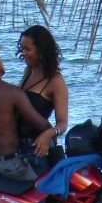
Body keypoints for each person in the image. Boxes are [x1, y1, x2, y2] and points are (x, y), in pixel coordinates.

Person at [0, 43, 53, 180]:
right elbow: (42, 125)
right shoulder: (11, 92)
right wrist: (51, 133)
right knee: (44, 193)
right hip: (7, 166)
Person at [15, 25, 69, 173]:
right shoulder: (28, 72)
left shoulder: (55, 80)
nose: (23, 53)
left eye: (28, 49)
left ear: (41, 50)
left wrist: (48, 134)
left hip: (37, 151)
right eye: (22, 48)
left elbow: (63, 123)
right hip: (17, 149)